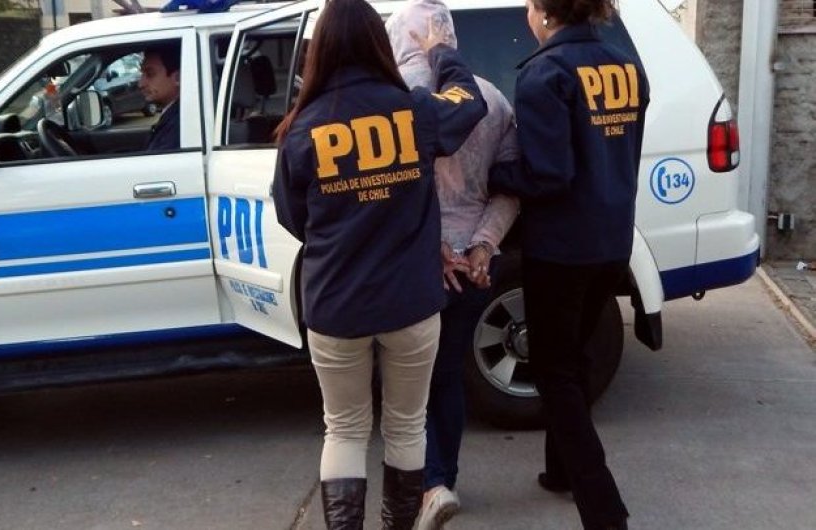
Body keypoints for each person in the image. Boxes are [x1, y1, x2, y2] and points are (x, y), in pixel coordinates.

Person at [272, 0, 487, 527]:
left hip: (335, 303)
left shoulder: (301, 128)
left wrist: (342, 238)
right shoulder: (416, 111)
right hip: (411, 301)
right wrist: (442, 53)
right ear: (379, 45)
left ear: (320, 51)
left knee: (344, 429)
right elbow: (470, 102)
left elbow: (293, 217)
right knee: (406, 426)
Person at [489, 1, 650, 529]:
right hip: (613, 241)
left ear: (544, 13)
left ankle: (604, 511)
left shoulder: (545, 74)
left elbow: (547, 175)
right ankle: (559, 471)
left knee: (554, 372)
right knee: (573, 357)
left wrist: (492, 174)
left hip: (562, 249)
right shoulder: (625, 65)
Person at [384, 2, 520, 528]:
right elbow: (509, 188)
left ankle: (431, 483)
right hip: (475, 268)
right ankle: (443, 480)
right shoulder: (490, 97)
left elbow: (390, 196)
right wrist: (482, 247)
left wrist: (435, 245)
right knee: (447, 375)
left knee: (407, 380)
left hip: (415, 261)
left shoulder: (393, 101)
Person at [139, 43, 180, 151]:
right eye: (142, 74)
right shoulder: (174, 116)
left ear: (177, 78)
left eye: (150, 74)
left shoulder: (179, 125)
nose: (141, 84)